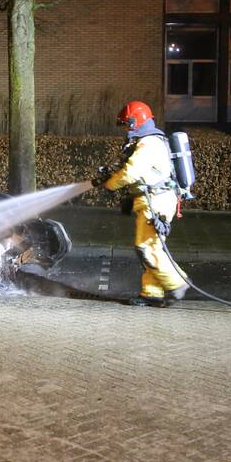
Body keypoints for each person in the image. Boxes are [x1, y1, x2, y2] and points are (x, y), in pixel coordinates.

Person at [94, 100, 189, 307]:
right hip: (155, 199)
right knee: (153, 247)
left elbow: (131, 172)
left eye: (128, 123)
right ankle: (152, 293)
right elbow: (139, 174)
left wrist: (110, 184)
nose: (126, 128)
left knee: (145, 247)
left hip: (156, 201)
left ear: (136, 121)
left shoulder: (149, 143)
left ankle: (177, 283)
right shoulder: (148, 141)